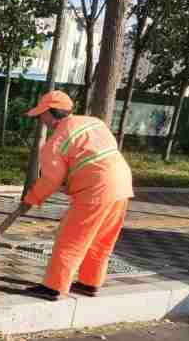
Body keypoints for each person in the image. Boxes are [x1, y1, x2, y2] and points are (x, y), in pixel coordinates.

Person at [22, 90, 134, 301]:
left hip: (96, 188)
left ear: (49, 112)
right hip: (122, 183)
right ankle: (89, 283)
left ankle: (53, 287)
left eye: (41, 115)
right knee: (102, 238)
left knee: (70, 238)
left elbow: (51, 180)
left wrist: (32, 198)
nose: (40, 120)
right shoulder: (94, 122)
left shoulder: (56, 141)